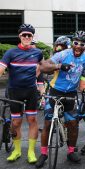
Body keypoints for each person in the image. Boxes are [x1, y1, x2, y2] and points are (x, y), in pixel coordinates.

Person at [35, 30, 85, 168]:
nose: (78, 46)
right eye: (76, 43)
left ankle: (71, 151)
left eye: (82, 44)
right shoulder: (63, 54)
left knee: (73, 124)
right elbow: (43, 66)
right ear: (72, 43)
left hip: (71, 94)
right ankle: (43, 154)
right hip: (55, 91)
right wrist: (59, 66)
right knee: (48, 124)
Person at [0, 24, 43, 163]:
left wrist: (41, 88)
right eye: (24, 35)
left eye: (29, 35)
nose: (26, 37)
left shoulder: (38, 53)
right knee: (16, 122)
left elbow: (42, 69)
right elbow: (1, 69)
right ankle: (17, 150)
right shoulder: (11, 53)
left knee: (32, 120)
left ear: (32, 37)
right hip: (14, 91)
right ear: (19, 36)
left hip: (30, 90)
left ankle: (31, 151)